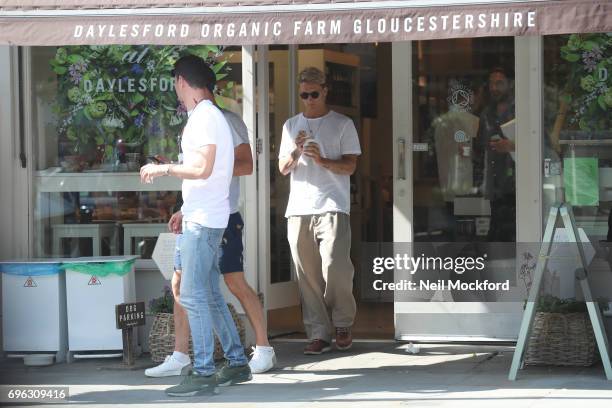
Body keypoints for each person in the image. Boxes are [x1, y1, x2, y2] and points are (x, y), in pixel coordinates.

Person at [140, 55, 250, 397]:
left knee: (191, 294)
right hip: (205, 216)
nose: (175, 89)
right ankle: (235, 362)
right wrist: (186, 208)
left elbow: (202, 169)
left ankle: (203, 371)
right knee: (210, 294)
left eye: (175, 83)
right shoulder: (211, 116)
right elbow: (211, 175)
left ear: (182, 82)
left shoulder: (203, 117)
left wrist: (166, 169)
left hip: (205, 223)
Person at [145, 104, 276, 378]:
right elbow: (198, 174)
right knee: (181, 282)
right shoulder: (194, 121)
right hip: (194, 212)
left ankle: (262, 348)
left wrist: (204, 168)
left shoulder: (225, 120)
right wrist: (184, 202)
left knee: (231, 282)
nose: (179, 98)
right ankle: (181, 354)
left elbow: (246, 164)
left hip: (222, 214)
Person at [278, 67, 361, 355]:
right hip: (299, 208)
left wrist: (323, 160)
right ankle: (318, 332)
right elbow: (283, 169)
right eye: (304, 95)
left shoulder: (342, 124)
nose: (310, 99)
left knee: (335, 266)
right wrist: (296, 152)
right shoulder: (290, 126)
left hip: (332, 204)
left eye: (314, 93)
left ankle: (342, 322)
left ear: (325, 91)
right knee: (307, 275)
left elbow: (350, 166)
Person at [475, 67, 516, 242]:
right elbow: (479, 149)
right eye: (491, 84)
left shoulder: (521, 108)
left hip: (519, 185)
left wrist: (513, 146)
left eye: (499, 83)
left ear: (510, 84)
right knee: (496, 235)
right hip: (495, 186)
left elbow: (539, 143)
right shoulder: (486, 114)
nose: (494, 88)